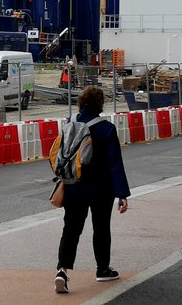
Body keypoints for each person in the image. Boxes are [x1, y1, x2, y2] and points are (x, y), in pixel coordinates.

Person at [55, 85, 130, 294]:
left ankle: (62, 270)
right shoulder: (106, 129)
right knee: (101, 228)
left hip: (73, 186)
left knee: (70, 230)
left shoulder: (70, 123)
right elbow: (115, 163)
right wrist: (121, 194)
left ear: (81, 103)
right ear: (100, 105)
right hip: (100, 188)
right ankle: (102, 269)